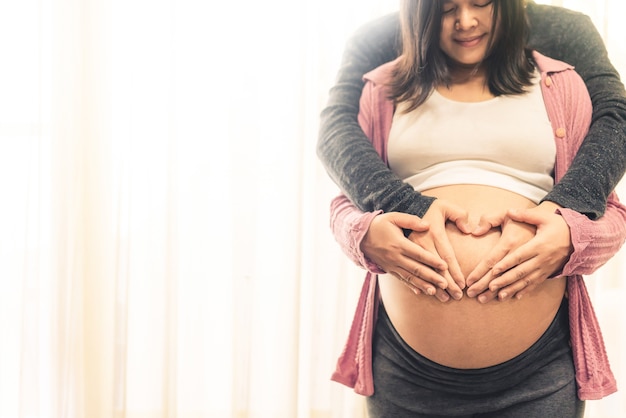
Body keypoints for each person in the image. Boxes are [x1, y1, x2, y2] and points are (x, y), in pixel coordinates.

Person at [327, 1, 626, 416]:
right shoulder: (383, 79)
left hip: (537, 374)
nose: (465, 20)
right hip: (404, 371)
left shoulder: (559, 77)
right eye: (447, 7)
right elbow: (341, 173)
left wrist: (570, 229)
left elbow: (610, 202)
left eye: (481, 2)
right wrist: (365, 236)